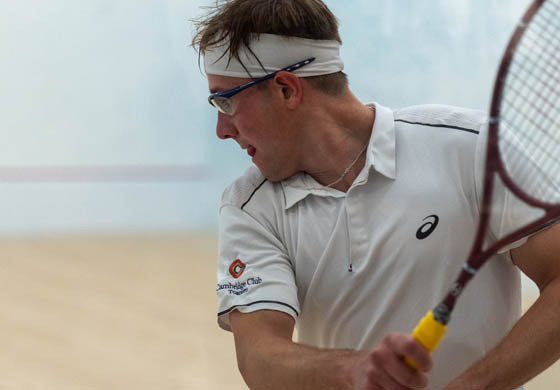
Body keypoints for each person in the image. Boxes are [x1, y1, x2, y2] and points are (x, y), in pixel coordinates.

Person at [192, 1, 560, 389]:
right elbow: (259, 356)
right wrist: (351, 369)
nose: (222, 129)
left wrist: (472, 386)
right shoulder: (250, 207)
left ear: (287, 89)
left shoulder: (470, 149)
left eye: (226, 101)